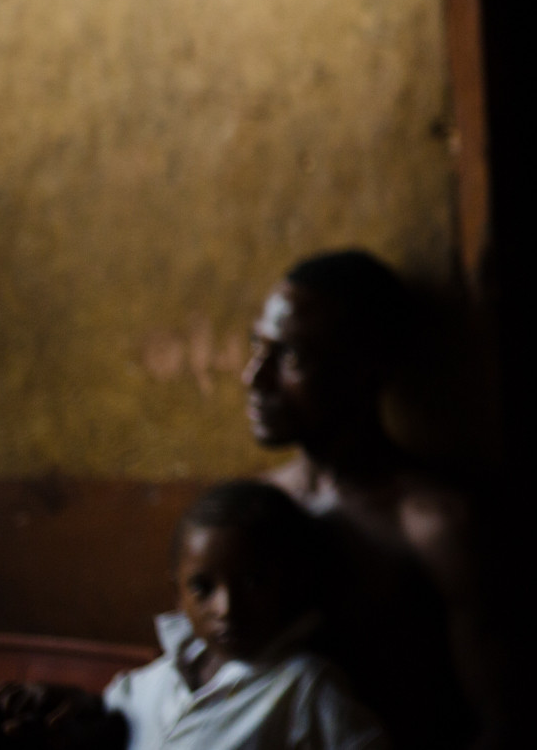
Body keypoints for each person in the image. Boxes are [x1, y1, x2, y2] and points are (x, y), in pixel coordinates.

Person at [242, 252, 499, 748]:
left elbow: (500, 719)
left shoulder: (436, 528)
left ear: (367, 368)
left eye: (292, 356)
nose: (253, 378)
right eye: (258, 347)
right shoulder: (261, 504)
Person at [102, 480, 387, 750]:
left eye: (253, 582)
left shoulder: (305, 688)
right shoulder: (144, 687)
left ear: (293, 584)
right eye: (203, 588)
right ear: (177, 594)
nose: (226, 609)